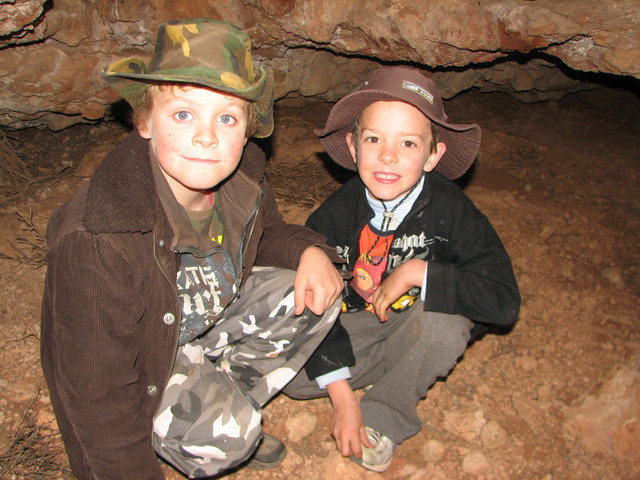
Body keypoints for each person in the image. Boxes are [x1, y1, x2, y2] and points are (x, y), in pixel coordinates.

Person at [40, 18, 344, 480]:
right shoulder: (101, 237)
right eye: (184, 114)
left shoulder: (243, 184)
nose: (208, 137)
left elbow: (267, 237)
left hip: (195, 325)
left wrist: (309, 252)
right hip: (142, 364)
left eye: (226, 118)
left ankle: (217, 399)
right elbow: (96, 397)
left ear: (247, 131)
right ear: (144, 121)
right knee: (234, 436)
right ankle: (206, 425)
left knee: (312, 292)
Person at [284, 66, 521, 472]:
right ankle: (399, 363)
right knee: (290, 379)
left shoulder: (453, 211)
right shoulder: (333, 216)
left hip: (418, 319)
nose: (388, 155)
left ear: (433, 156)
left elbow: (503, 302)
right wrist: (341, 398)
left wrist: (417, 273)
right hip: (351, 326)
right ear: (353, 146)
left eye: (408, 143)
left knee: (446, 327)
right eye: (374, 139)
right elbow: (312, 308)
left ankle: (386, 410)